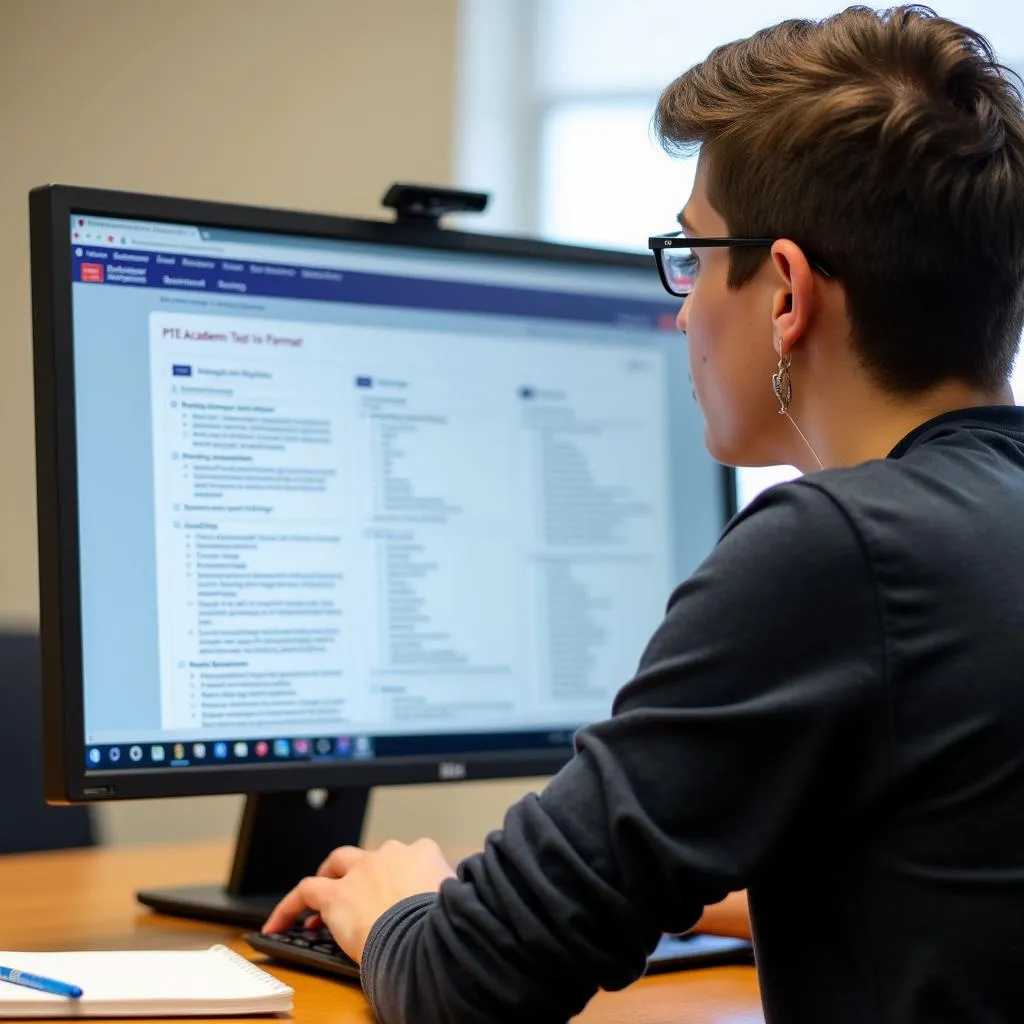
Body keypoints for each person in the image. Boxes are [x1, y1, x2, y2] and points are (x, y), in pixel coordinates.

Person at [264, 5, 1024, 1021]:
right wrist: (761, 894)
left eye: (695, 255)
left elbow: (465, 984)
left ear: (785, 292)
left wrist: (401, 908)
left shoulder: (838, 548)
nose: (682, 307)